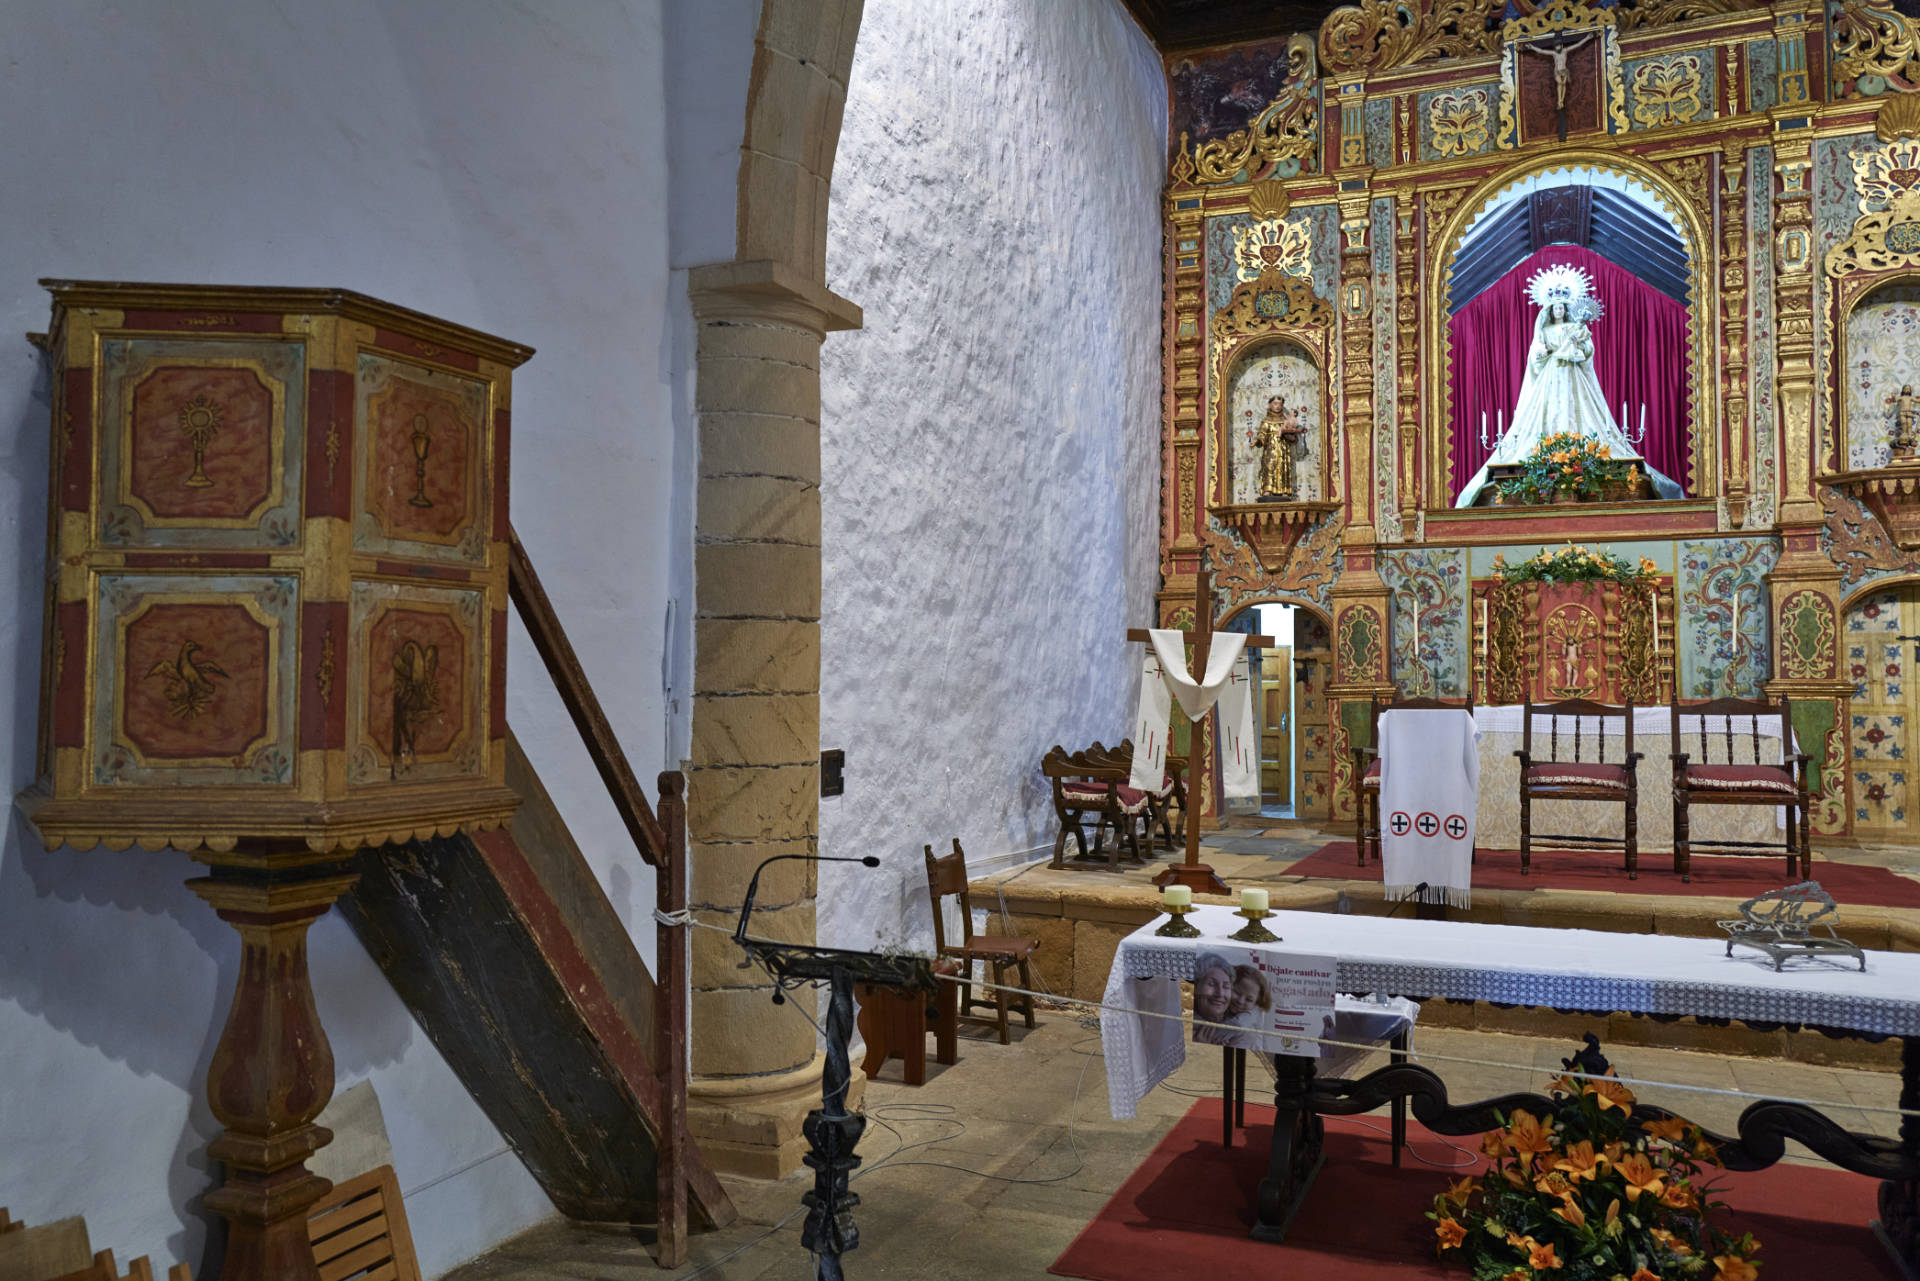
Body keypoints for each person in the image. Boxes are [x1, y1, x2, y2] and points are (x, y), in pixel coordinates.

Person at [1455, 263, 1684, 507]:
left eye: (1562, 307)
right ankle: (1549, 449)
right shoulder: (1544, 330)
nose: (1559, 310)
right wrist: (1542, 353)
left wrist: (1580, 348)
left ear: (1567, 308)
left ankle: (1576, 448)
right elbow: (1536, 357)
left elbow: (1588, 351)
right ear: (1549, 309)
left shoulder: (1576, 328)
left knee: (1581, 410)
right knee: (1547, 411)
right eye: (1554, 307)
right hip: (1551, 377)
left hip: (1573, 375)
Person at [1192, 953, 1251, 1046]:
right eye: (1211, 984)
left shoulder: (1240, 1031)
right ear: (1195, 987)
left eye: (1226, 986)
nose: (1220, 993)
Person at [1252, 394, 1302, 498]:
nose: (1277, 406)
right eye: (1275, 404)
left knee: (1283, 469)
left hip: (1283, 450)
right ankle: (1268, 490)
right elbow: (1262, 434)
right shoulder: (1266, 421)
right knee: (1269, 468)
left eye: (1280, 404)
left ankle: (1285, 491)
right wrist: (1257, 441)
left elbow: (1292, 435)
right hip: (1271, 450)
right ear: (1270, 405)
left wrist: (1292, 437)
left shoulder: (1286, 420)